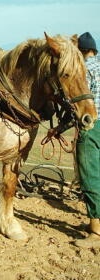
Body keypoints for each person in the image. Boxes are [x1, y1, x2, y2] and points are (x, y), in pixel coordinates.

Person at [74, 32, 100, 248]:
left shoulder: (83, 70)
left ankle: (96, 232)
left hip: (91, 127)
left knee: (90, 177)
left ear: (80, 52)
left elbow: (80, 104)